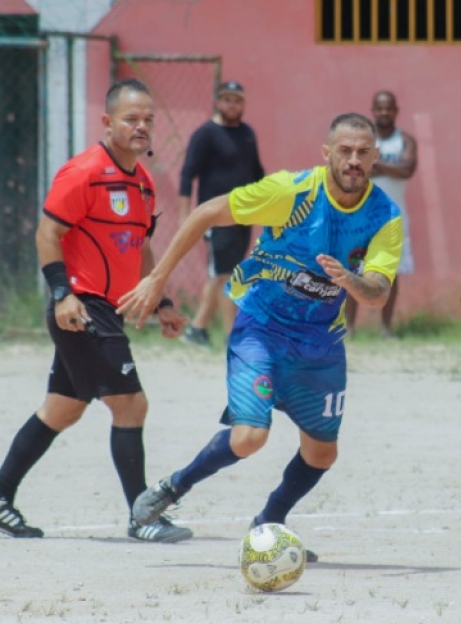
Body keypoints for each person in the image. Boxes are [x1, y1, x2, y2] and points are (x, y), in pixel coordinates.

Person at [117, 113, 402, 562]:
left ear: (375, 157)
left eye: (363, 152)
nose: (353, 160)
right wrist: (157, 279)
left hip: (320, 345)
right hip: (262, 329)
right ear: (326, 154)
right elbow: (207, 212)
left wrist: (351, 280)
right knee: (250, 436)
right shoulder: (292, 192)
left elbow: (378, 294)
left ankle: (268, 522)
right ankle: (174, 486)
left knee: (323, 453)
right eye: (344, 151)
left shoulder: (384, 215)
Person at [0, 78, 192, 542]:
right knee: (131, 404)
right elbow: (47, 234)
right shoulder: (83, 171)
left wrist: (161, 298)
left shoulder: (144, 183)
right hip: (82, 307)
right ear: (107, 122)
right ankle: (141, 516)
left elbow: (142, 248)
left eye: (148, 119)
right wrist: (62, 293)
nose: (141, 126)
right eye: (131, 118)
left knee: (62, 410)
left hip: (109, 309)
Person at [178, 81, 265, 347]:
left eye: (237, 100)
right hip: (215, 215)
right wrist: (185, 217)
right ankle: (232, 336)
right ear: (217, 102)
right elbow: (187, 174)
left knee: (228, 272)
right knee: (226, 274)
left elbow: (257, 173)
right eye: (227, 100)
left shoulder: (247, 134)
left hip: (243, 215)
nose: (232, 105)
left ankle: (197, 329)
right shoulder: (206, 134)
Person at [344, 90, 416, 338]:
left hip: (393, 217)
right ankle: (349, 329)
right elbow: (349, 169)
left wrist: (375, 165)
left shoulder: (405, 141)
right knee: (353, 271)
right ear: (373, 110)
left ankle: (385, 328)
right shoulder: (363, 140)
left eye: (389, 108)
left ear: (396, 110)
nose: (384, 112)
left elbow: (407, 168)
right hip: (360, 215)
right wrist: (379, 167)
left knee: (390, 273)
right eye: (379, 108)